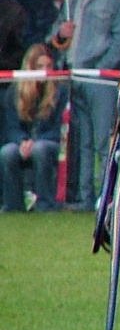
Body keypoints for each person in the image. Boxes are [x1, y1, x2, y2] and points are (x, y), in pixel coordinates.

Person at [51, 0, 120, 212]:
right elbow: (54, 37)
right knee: (81, 142)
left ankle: (108, 198)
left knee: (104, 141)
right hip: (74, 77)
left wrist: (101, 67)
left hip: (101, 80)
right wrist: (61, 33)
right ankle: (85, 199)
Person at [1, 44, 64, 212]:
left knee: (40, 149)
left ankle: (44, 204)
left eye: (49, 66)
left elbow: (58, 127)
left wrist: (34, 142)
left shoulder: (59, 92)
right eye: (40, 67)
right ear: (30, 67)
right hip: (22, 141)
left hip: (49, 141)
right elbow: (12, 126)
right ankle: (13, 205)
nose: (45, 71)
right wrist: (22, 141)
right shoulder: (14, 92)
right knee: (7, 153)